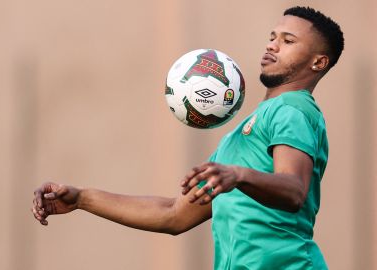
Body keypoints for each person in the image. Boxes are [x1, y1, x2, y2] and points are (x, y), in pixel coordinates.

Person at [32, 6, 344, 270]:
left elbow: (294, 190)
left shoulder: (292, 108)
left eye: (288, 41)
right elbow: (174, 215)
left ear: (318, 62)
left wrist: (238, 175)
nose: (273, 45)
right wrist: (83, 199)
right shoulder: (242, 134)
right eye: (272, 37)